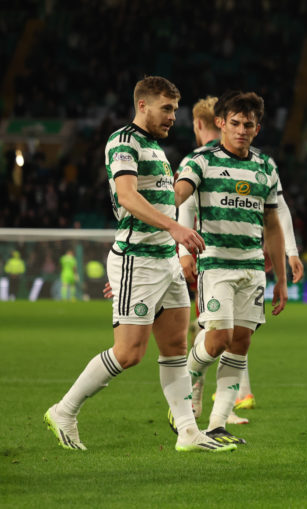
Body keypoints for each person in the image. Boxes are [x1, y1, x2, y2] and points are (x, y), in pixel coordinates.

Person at [44, 76, 235, 453]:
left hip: (163, 261)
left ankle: (188, 432)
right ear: (142, 105)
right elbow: (128, 198)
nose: (172, 118)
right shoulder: (123, 141)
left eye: (175, 111)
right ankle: (64, 410)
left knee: (175, 348)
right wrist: (175, 228)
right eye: (166, 109)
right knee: (130, 353)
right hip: (138, 260)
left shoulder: (155, 148)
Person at [177, 93, 304, 425]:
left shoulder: (265, 166)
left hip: (252, 268)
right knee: (219, 339)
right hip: (216, 263)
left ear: (258, 128)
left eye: (248, 125)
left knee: (241, 345)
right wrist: (179, 246)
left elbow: (273, 224)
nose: (241, 130)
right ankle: (185, 381)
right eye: (234, 123)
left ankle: (218, 425)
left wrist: (280, 280)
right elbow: (180, 199)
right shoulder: (200, 161)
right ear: (220, 123)